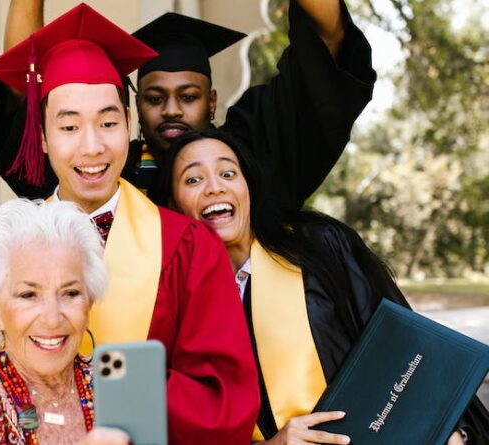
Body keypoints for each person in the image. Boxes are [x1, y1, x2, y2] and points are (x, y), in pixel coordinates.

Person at [0, 4, 260, 443]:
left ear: (129, 124)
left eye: (108, 123)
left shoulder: (188, 246)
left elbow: (225, 403)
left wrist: (106, 389)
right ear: (43, 136)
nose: (92, 148)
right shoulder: (0, 254)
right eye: (69, 127)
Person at [151, 127, 489, 445]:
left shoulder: (318, 247)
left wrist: (449, 428)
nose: (215, 188)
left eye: (228, 173)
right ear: (173, 206)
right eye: (193, 179)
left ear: (249, 187)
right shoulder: (174, 309)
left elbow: (406, 347)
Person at [0, 0, 376, 210]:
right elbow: (25, 87)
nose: (172, 110)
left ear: (212, 102)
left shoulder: (252, 154)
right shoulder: (98, 171)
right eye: (155, 98)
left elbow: (327, 44)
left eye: (188, 97)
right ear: (133, 111)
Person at [0, 199, 129, 445]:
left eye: (70, 293)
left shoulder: (117, 390)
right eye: (28, 295)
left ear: (89, 301)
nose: (52, 319)